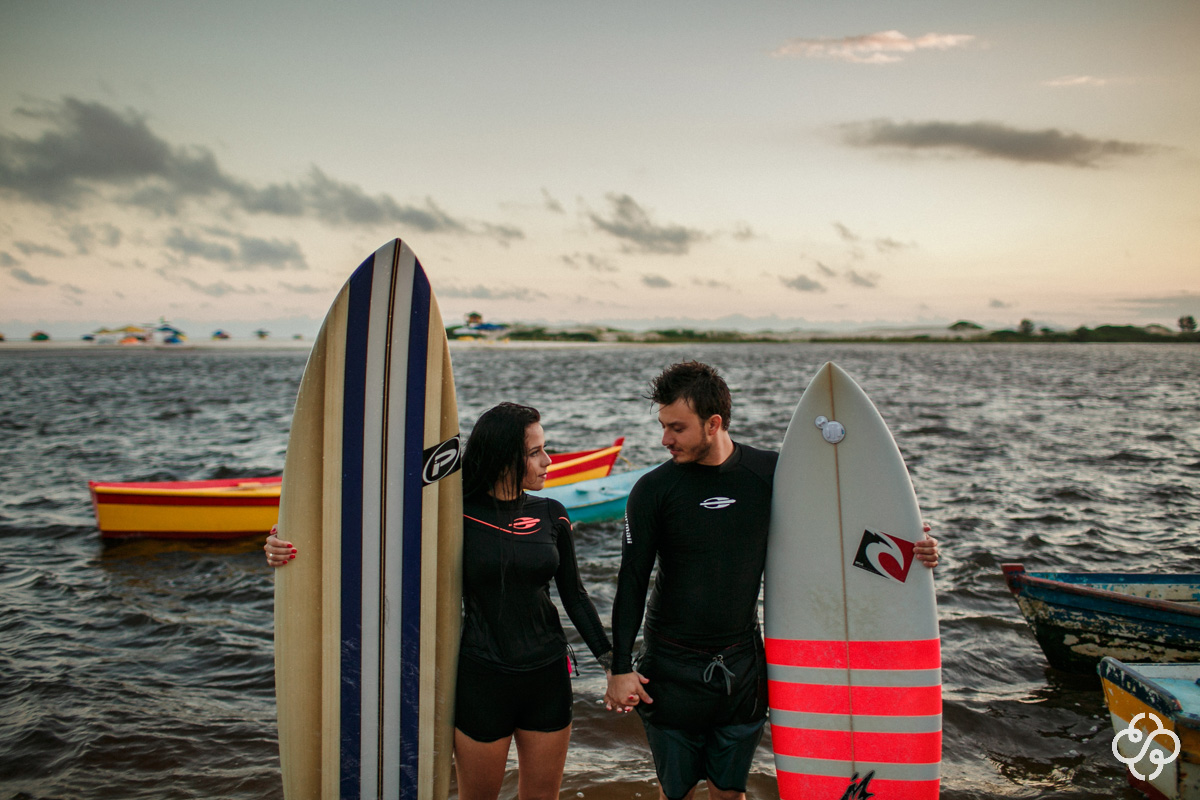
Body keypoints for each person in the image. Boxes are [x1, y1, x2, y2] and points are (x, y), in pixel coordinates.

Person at [603, 362, 938, 800]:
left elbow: (833, 537)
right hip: (670, 668)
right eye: (664, 426)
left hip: (742, 667)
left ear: (714, 423)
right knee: (676, 794)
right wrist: (622, 667)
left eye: (677, 428)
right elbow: (630, 580)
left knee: (730, 793)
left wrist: (911, 553)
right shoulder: (653, 490)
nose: (665, 439)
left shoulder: (772, 475)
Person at [266, 402, 613, 800]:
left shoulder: (552, 513)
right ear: (503, 458)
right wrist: (288, 543)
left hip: (547, 677)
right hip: (482, 678)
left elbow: (576, 596)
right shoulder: (450, 514)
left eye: (544, 449)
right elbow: (366, 547)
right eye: (534, 452)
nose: (548, 461)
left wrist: (612, 666)